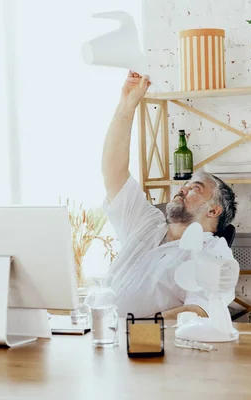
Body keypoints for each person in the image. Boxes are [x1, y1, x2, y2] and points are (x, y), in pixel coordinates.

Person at [101, 71, 238, 319]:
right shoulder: (147, 222)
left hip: (147, 350)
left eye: (197, 188)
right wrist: (127, 104)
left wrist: (138, 336)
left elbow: (199, 310)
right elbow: (113, 171)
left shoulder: (212, 253)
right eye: (186, 184)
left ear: (213, 210)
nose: (183, 188)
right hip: (101, 337)